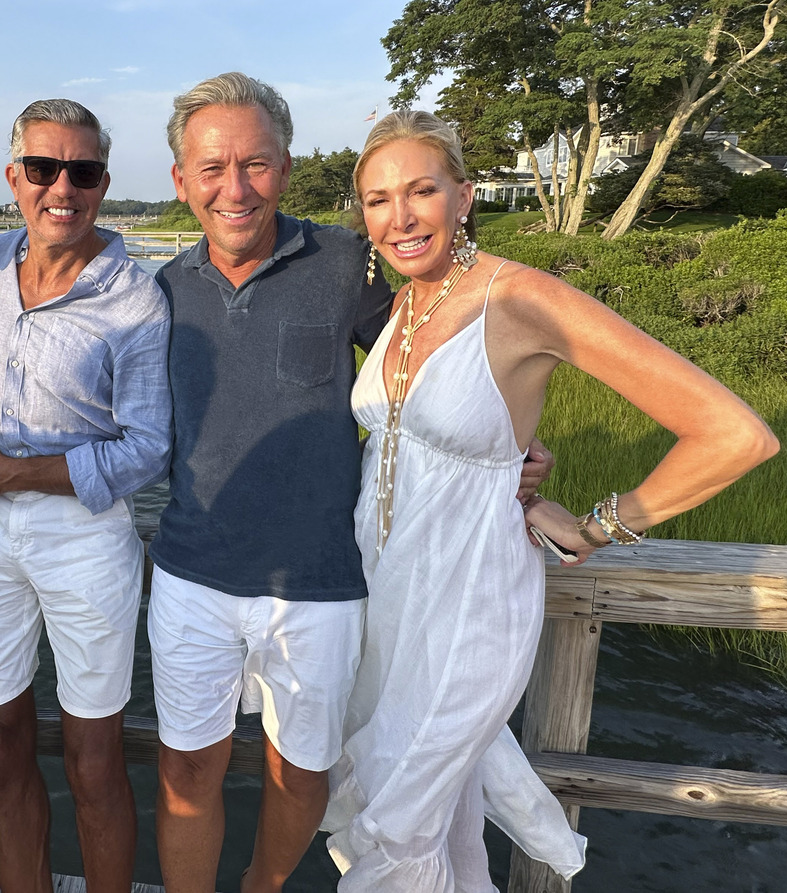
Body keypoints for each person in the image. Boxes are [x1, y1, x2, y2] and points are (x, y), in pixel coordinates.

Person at [323, 110, 779, 890]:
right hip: (385, 596)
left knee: (397, 821)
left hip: (472, 604)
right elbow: (416, 446)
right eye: (377, 199)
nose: (399, 217)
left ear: (464, 196)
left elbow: (735, 433)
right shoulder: (405, 305)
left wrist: (599, 525)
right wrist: (516, 473)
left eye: (422, 190)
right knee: (438, 814)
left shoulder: (523, 298)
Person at [148, 73, 553, 893]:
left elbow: (428, 367)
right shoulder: (158, 288)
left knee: (303, 772)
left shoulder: (346, 263)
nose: (236, 187)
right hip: (190, 571)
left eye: (256, 164)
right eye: (213, 167)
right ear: (180, 181)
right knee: (184, 769)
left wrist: (518, 453)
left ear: (287, 168)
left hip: (324, 582)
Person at [0, 99, 172, 893]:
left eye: (83, 171)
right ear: (15, 177)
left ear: (104, 184)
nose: (61, 187)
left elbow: (148, 446)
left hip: (85, 532)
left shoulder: (135, 296)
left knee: (94, 753)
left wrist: (12, 472)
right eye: (43, 168)